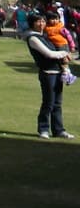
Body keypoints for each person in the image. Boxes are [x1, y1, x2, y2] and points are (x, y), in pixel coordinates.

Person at [24, 11, 74, 139]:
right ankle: (44, 129)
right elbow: (49, 54)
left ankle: (59, 130)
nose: (41, 24)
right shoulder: (33, 38)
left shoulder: (45, 36)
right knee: (49, 103)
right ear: (32, 23)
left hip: (57, 73)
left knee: (57, 103)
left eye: (43, 21)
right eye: (38, 21)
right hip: (47, 73)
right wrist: (65, 54)